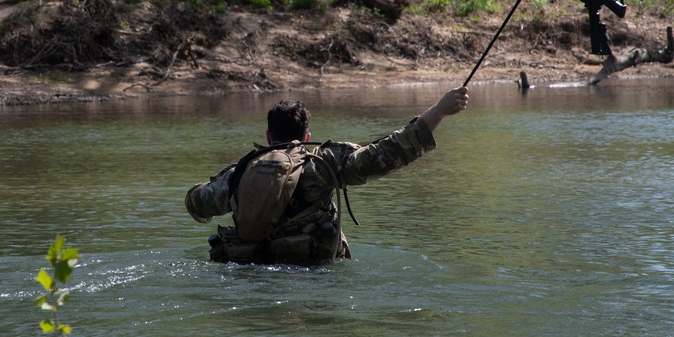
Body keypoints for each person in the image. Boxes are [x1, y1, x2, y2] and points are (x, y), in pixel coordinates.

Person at [185, 86, 469, 266]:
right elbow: (385, 154)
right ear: (306, 137)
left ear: (269, 136)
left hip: (249, 277)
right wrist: (439, 111)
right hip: (308, 277)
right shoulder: (320, 165)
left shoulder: (240, 173)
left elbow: (196, 204)